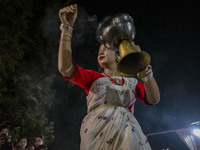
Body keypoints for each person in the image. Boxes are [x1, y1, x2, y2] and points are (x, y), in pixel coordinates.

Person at [58, 4, 160, 150]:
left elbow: (154, 98)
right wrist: (67, 29)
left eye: (106, 49)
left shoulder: (132, 83)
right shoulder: (93, 78)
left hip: (127, 135)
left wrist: (143, 70)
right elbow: (65, 68)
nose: (101, 51)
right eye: (100, 50)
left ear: (119, 56)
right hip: (96, 134)